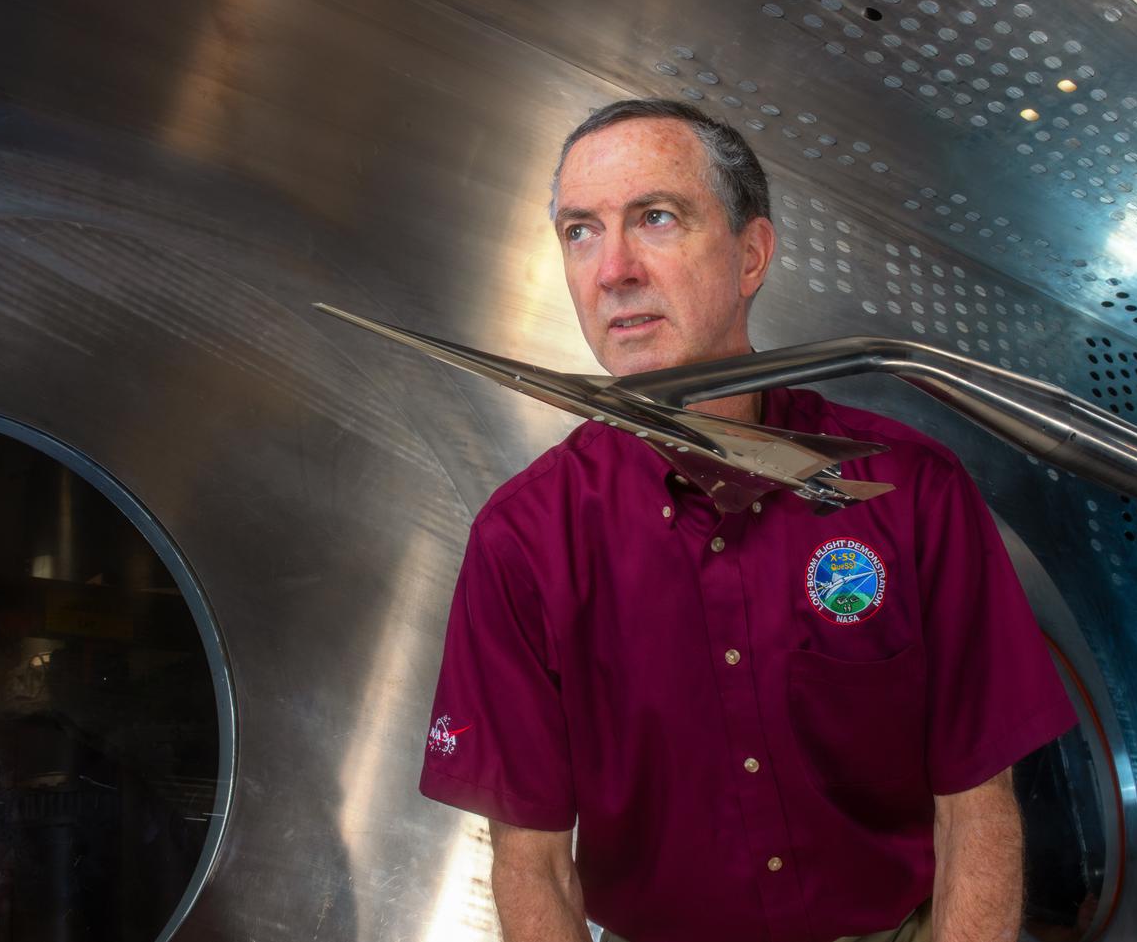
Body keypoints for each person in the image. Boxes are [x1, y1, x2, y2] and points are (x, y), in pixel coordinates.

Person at [419, 99, 1077, 942]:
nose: (613, 267)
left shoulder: (910, 488)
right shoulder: (523, 540)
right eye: (580, 230)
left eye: (656, 217)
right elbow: (532, 863)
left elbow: (977, 808)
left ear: (751, 254)